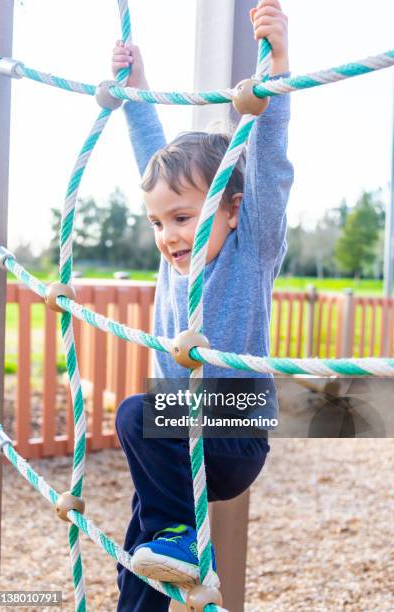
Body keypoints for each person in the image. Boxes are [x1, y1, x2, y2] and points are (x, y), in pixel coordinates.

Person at [112, 1, 293, 610]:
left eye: (184, 218)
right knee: (142, 542)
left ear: (232, 208)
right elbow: (151, 158)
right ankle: (150, 580)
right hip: (181, 431)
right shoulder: (175, 262)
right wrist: (136, 88)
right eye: (159, 222)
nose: (168, 236)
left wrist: (275, 74)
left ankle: (177, 540)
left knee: (137, 415)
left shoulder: (251, 247)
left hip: (234, 432)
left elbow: (269, 168)